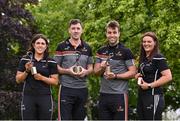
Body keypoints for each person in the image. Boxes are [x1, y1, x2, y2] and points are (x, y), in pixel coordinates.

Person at [94, 20, 136, 120]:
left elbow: (133, 72)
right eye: (109, 32)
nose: (112, 35)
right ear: (106, 34)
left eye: (114, 32)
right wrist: (102, 68)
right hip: (103, 95)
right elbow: (95, 72)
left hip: (120, 95)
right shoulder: (101, 51)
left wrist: (116, 76)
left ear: (119, 34)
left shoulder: (126, 51)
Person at [54, 19, 93, 120]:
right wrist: (68, 71)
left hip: (82, 89)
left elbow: (91, 68)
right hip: (66, 88)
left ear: (82, 30)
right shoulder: (61, 46)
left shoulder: (88, 48)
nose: (76, 31)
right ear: (69, 30)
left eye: (78, 28)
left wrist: (86, 72)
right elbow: (54, 67)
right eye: (73, 28)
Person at [16, 34, 59, 120]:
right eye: (38, 43)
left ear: (46, 46)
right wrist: (27, 71)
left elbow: (55, 81)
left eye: (43, 43)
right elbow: (18, 80)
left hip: (45, 97)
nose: (40, 45)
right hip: (28, 97)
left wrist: (41, 78)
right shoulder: (25, 60)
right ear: (33, 45)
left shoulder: (51, 61)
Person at [135, 32, 172, 120]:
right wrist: (138, 76)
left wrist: (149, 85)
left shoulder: (158, 57)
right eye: (144, 42)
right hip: (142, 96)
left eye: (149, 41)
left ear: (155, 43)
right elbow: (143, 75)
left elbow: (168, 76)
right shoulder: (143, 59)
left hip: (154, 96)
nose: (146, 44)